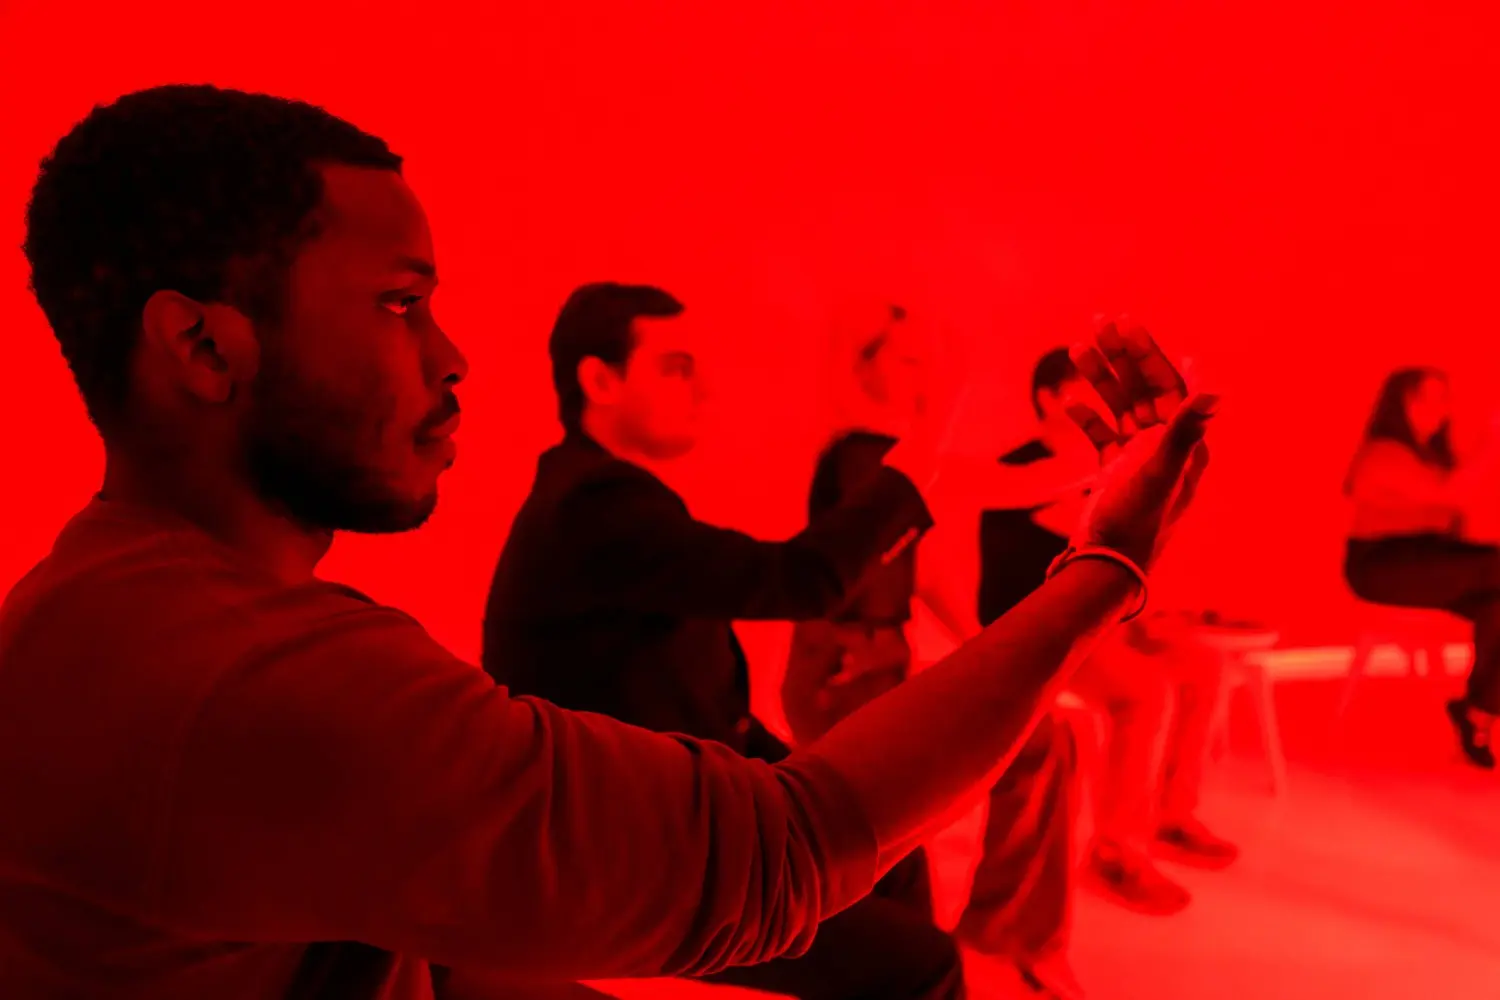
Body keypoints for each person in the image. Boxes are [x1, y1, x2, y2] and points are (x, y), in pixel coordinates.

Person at [0, 83, 1213, 1000]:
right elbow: (787, 824)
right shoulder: (270, 676)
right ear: (203, 347)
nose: (452, 356)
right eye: (400, 302)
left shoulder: (90, 601)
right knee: (905, 946)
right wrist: (1105, 567)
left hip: (685, 782)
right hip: (703, 795)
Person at [482, 285, 963, 1000]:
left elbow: (711, 706)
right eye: (676, 367)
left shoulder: (604, 496)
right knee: (922, 962)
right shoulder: (593, 506)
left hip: (689, 801)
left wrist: (808, 787)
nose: (703, 389)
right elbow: (801, 581)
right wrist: (920, 458)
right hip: (639, 853)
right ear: (600, 380)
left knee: (888, 846)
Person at [781, 307, 1083, 998]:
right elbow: (1004, 486)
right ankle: (984, 945)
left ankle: (1003, 935)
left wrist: (989, 652)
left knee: (1041, 740)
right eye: (906, 359)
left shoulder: (897, 458)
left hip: (882, 659)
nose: (922, 374)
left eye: (927, 360)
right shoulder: (864, 453)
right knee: (877, 853)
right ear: (861, 366)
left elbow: (925, 577)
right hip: (843, 671)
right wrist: (1096, 458)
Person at [974, 349, 1235, 921]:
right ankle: (1114, 853)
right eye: (1084, 390)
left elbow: (1121, 551)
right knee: (1144, 693)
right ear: (1048, 398)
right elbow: (1085, 534)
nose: (1098, 402)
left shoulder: (1098, 467)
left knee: (1204, 665)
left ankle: (1171, 816)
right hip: (1035, 632)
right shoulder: (1023, 469)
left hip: (1093, 622)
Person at [1344, 367, 1500, 769]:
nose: (1438, 408)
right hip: (1381, 565)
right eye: (1426, 397)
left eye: (1443, 397)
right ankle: (1480, 709)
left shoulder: (1431, 455)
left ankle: (1480, 711)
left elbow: (1456, 512)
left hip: (1423, 558)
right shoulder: (1383, 454)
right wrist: (1492, 440)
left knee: (1497, 605)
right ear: (1399, 403)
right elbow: (1450, 496)